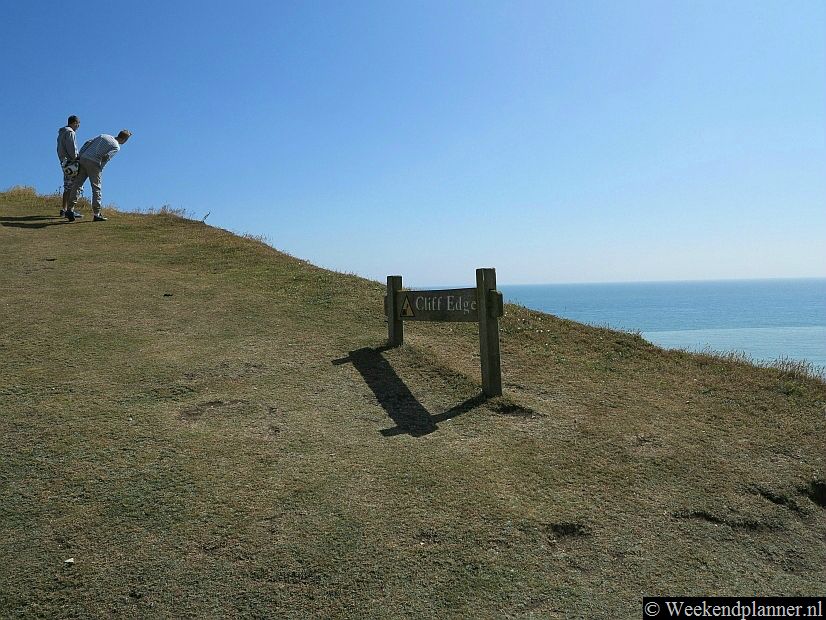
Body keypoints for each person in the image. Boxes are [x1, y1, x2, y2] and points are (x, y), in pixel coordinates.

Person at [65, 129, 132, 222]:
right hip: (95, 163)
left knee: (77, 185)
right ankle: (96, 213)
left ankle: (69, 209)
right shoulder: (116, 146)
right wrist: (100, 168)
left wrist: (80, 156)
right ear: (125, 140)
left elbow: (87, 143)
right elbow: (106, 157)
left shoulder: (103, 135)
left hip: (84, 158)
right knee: (96, 188)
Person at [57, 115, 82, 218]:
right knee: (74, 186)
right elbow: (72, 148)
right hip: (71, 162)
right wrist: (76, 158)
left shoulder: (61, 132)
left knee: (67, 186)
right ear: (74, 123)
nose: (78, 127)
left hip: (64, 161)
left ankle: (64, 209)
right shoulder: (70, 132)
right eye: (78, 124)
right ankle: (70, 210)